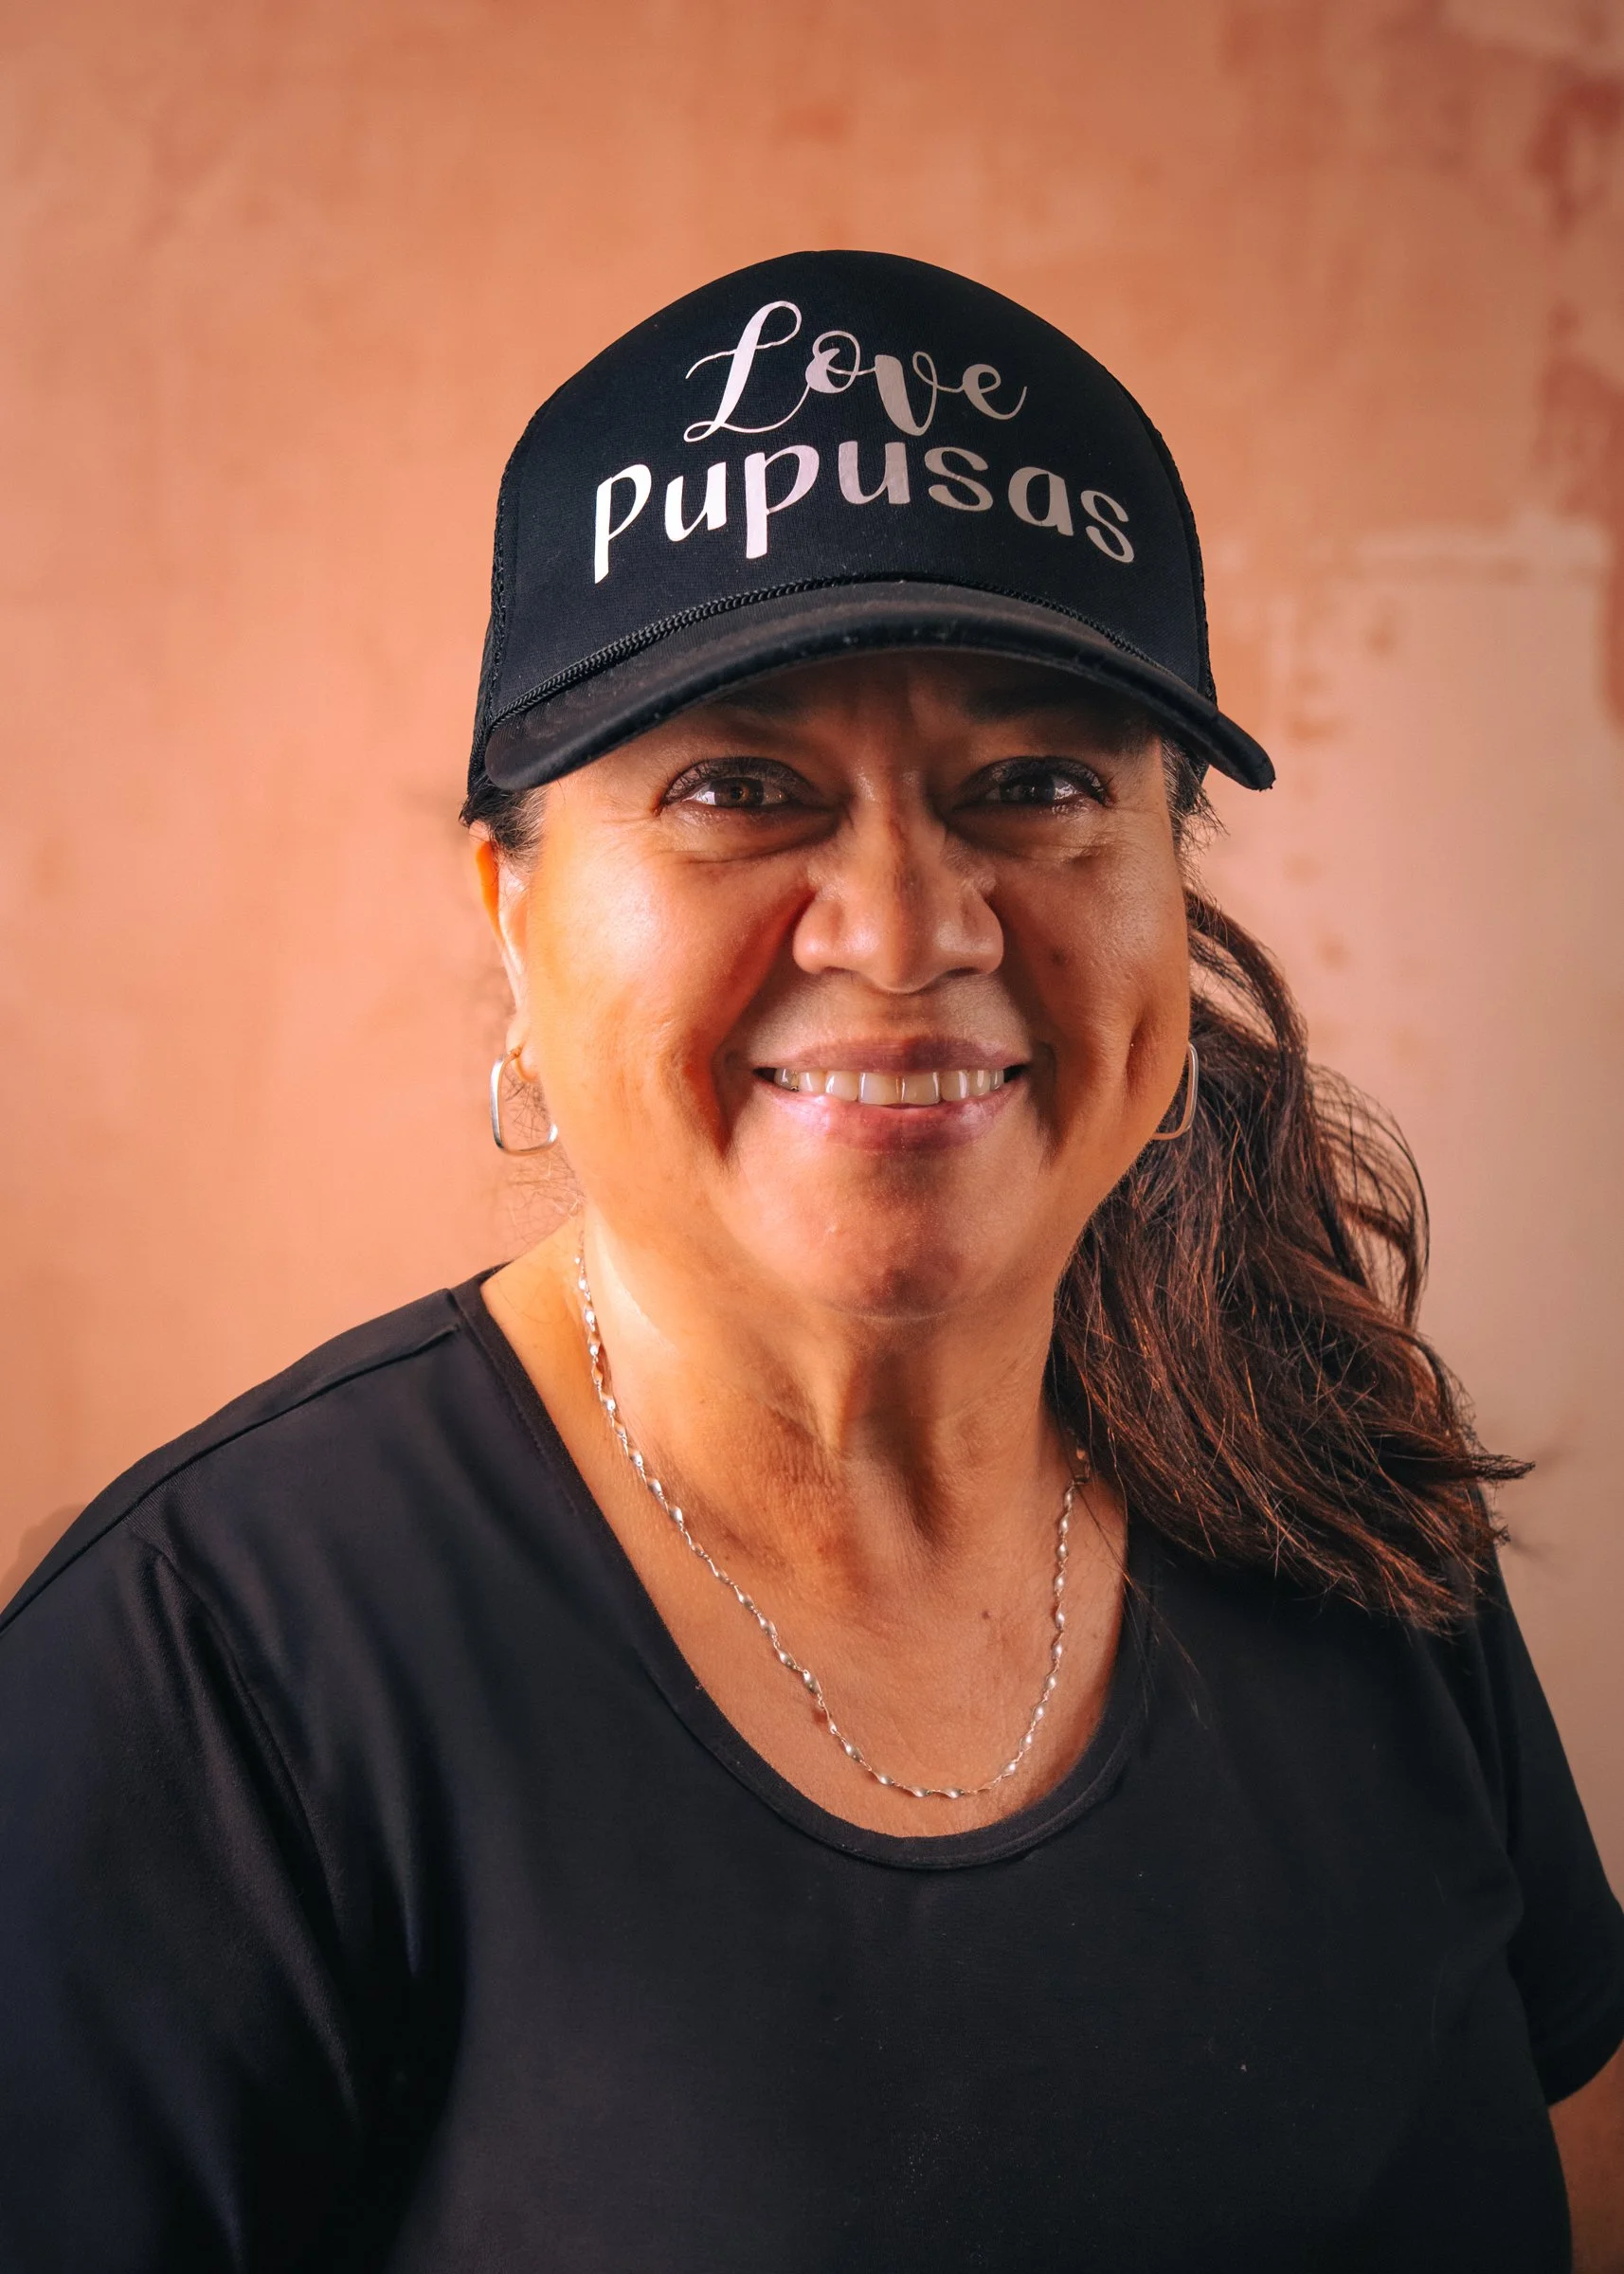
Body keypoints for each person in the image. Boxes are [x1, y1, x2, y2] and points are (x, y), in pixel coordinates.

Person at [2, 251, 1620, 2272]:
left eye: (1032, 785)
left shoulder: (1339, 1497)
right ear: (511, 912)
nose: (903, 924)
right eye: (738, 789)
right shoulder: (198, 1684)